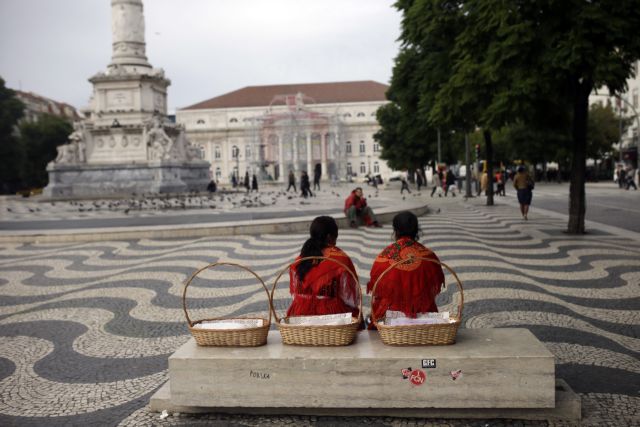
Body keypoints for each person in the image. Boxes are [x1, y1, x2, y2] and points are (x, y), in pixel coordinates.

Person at [367, 211, 445, 329]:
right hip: (425, 316)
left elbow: (378, 294)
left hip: (390, 320)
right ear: (416, 230)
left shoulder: (383, 257)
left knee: (369, 318)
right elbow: (433, 290)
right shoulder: (429, 256)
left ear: (395, 231)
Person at [286, 216, 360, 318]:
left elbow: (294, 295)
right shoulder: (341, 260)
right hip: (331, 319)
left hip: (300, 317)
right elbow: (352, 299)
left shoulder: (298, 261)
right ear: (330, 237)